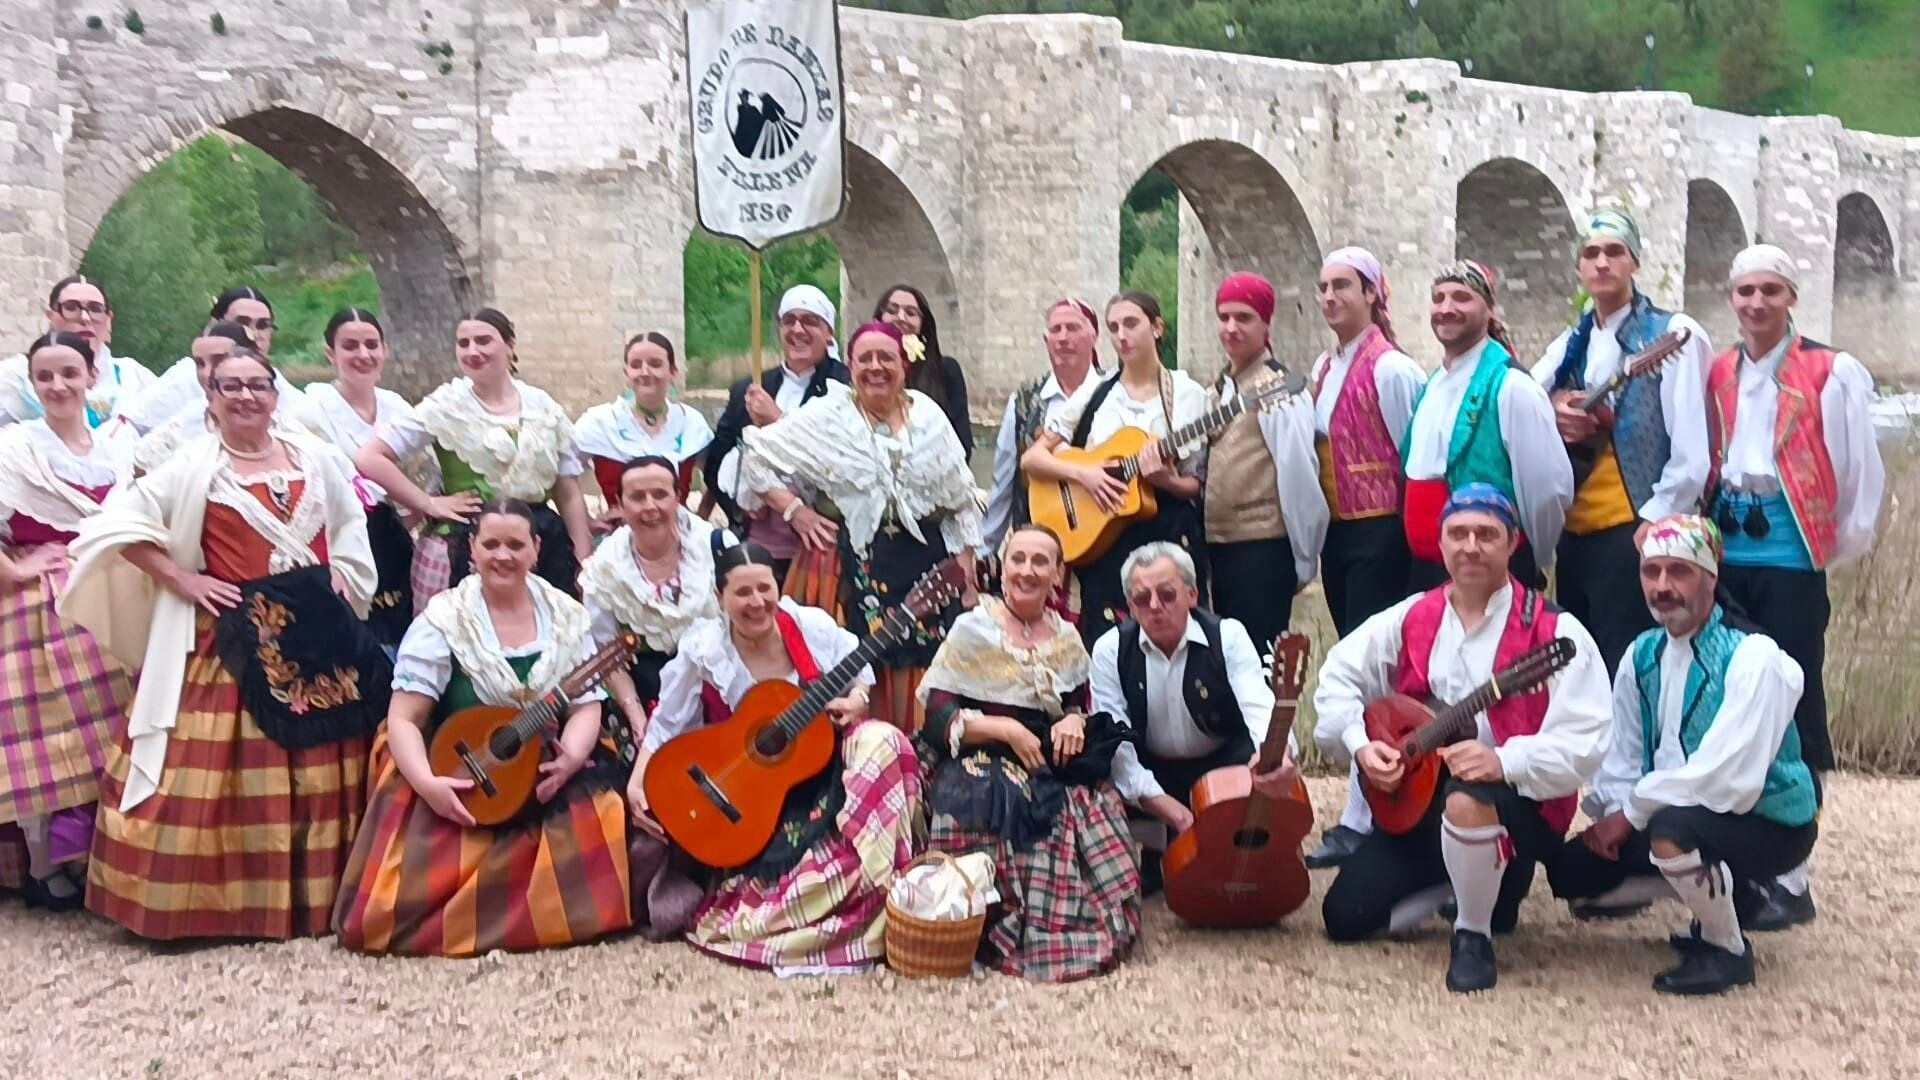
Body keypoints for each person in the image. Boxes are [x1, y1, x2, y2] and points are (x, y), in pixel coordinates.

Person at [60, 347, 389, 940]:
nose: (244, 397)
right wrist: (181, 578)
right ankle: (220, 908)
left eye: (256, 385)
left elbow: (348, 522)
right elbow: (116, 528)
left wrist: (344, 566)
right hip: (233, 637)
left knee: (323, 763)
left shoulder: (314, 457)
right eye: (229, 386)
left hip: (320, 634)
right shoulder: (193, 468)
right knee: (223, 771)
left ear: (274, 393)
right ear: (209, 397)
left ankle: (324, 900)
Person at [1313, 484, 1609, 993]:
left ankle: (1473, 933)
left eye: (1486, 534)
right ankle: (1468, 879)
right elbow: (1337, 675)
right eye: (1458, 533)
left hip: (1517, 804)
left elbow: (1587, 737)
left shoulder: (1554, 632)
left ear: (1513, 543)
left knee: (1469, 797)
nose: (1471, 546)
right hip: (1421, 800)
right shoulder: (1415, 615)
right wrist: (1361, 742)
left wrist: (1505, 762)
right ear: (1441, 542)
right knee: (1344, 916)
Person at [333, 499, 633, 956]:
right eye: (491, 544)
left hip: (542, 766)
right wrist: (428, 784)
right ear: (471, 549)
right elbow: (404, 719)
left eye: (516, 544)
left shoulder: (567, 616)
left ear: (536, 549)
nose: (503, 556)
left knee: (602, 815)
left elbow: (586, 704)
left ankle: (533, 914)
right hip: (459, 766)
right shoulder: (444, 620)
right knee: (387, 909)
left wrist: (572, 757)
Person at [1548, 514, 1818, 995]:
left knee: (1674, 834)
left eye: (1679, 571)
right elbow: (1624, 759)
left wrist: (1631, 815)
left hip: (1767, 820)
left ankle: (1726, 948)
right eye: (1651, 572)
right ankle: (1732, 895)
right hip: (1673, 809)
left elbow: (1727, 780)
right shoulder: (1641, 654)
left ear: (1711, 577)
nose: (1663, 586)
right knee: (1575, 874)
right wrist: (1612, 817)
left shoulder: (1755, 657)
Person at [630, 541, 921, 974]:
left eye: (764, 589)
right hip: (748, 800)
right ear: (719, 597)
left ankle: (879, 887)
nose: (756, 602)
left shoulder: (809, 627)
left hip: (817, 780)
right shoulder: (704, 648)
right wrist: (638, 782)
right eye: (742, 593)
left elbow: (859, 670)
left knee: (886, 740)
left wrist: (858, 700)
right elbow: (668, 724)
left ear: (777, 587)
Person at [1703, 244, 1884, 929]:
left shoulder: (1832, 372)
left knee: (1796, 700)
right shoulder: (1721, 369)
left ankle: (1793, 872)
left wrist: (1828, 548)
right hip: (1730, 552)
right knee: (1735, 698)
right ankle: (1748, 861)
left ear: (1791, 298)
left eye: (1769, 291)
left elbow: (1861, 474)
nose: (1755, 304)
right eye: (1745, 291)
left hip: (1791, 556)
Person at [916, 524, 1140, 981]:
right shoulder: (973, 627)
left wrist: (1075, 719)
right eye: (1018, 559)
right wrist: (1005, 729)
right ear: (1002, 569)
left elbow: (1076, 701)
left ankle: (1059, 926)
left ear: (1058, 574)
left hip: (1044, 754)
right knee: (997, 799)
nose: (1027, 570)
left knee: (1089, 802)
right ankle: (992, 924)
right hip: (978, 750)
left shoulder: (1066, 637)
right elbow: (937, 719)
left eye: (1041, 562)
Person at [737, 321, 980, 731]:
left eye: (886, 357)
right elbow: (757, 457)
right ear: (850, 367)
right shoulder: (829, 416)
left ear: (903, 365)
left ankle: (911, 766)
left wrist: (967, 565)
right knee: (844, 665)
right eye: (864, 358)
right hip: (843, 568)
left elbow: (962, 497)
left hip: (927, 569)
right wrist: (797, 511)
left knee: (924, 669)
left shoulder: (929, 417)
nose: (875, 367)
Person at [1534, 211, 1715, 674]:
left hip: (1631, 530)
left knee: (1628, 668)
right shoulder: (1572, 340)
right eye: (1591, 254)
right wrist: (1555, 406)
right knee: (1577, 671)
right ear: (1578, 269)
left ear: (1634, 262)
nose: (1601, 263)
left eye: (1614, 252)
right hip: (1573, 535)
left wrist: (1654, 522)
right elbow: (1524, 397)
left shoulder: (1672, 333)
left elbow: (1693, 453)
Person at [0, 332, 138, 910]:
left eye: (68, 373)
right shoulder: (15, 448)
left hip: (108, 591)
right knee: (47, 733)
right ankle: (44, 863)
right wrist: (15, 568)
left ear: (90, 378)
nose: (57, 386)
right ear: (32, 385)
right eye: (45, 377)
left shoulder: (117, 444)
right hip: (38, 606)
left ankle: (104, 853)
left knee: (114, 726)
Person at [1303, 247, 1427, 870]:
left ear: (1374, 294)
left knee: (1374, 670)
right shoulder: (1326, 366)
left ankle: (1365, 813)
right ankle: (1366, 805)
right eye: (1324, 287)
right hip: (1342, 534)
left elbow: (1417, 460)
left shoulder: (1393, 370)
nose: (1330, 298)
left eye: (1343, 286)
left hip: (1383, 532)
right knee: (1351, 662)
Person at [355, 308, 595, 608]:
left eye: (483, 340)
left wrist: (583, 557)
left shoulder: (542, 406)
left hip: (542, 542)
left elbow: (567, 492)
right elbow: (369, 457)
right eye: (463, 343)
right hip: (464, 543)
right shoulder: (446, 406)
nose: (472, 351)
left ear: (510, 345)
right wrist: (427, 502)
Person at [1090, 542, 1296, 892]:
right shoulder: (1110, 649)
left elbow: (1259, 707)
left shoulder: (1228, 635)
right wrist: (1177, 814)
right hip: (1153, 778)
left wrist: (1276, 756)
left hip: (1222, 769)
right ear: (1131, 608)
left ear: (1192, 594)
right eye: (1142, 599)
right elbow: (1116, 748)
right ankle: (1158, 843)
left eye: (1168, 595)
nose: (1155, 607)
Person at [1022, 291, 1211, 647]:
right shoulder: (1095, 391)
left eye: (1131, 324)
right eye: (1113, 327)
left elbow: (1193, 485)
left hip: (1167, 535)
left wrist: (1165, 480)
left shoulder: (1187, 394)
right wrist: (1085, 474)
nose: (1121, 335)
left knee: (1176, 640)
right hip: (1105, 540)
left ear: (1157, 328)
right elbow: (1032, 459)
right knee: (1108, 646)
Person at [1402, 261, 1572, 591]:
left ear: (1490, 310)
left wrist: (1532, 556)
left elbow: (1548, 489)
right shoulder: (1432, 384)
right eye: (1439, 298)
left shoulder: (1512, 387)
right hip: (1426, 570)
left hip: (1488, 569)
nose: (1446, 308)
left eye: (1462, 298)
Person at [1203, 272, 1327, 656]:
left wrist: (1303, 559)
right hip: (1217, 550)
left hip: (1261, 550)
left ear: (1265, 323)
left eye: (1244, 318)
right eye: (1224, 317)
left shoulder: (1278, 390)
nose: (1231, 328)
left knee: (1258, 668)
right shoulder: (1220, 388)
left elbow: (1299, 475)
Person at [290, 308, 426, 648]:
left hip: (393, 538)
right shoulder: (309, 411)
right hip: (338, 540)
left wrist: (415, 512)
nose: (363, 355)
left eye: (371, 345)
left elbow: (424, 471)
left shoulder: (398, 408)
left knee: (403, 630)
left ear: (385, 350)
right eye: (350, 346)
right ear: (331, 354)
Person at [579, 455, 726, 765]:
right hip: (644, 691)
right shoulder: (604, 567)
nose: (650, 506)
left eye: (660, 494)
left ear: (678, 496)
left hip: (717, 687)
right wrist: (637, 717)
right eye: (637, 497)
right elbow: (605, 654)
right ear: (619, 503)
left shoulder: (717, 546)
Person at [704, 285, 850, 576]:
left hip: (820, 543)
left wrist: (777, 421)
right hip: (758, 540)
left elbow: (841, 461)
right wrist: (740, 505)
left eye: (810, 321)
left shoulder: (844, 386)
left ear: (829, 332)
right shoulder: (750, 387)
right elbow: (715, 463)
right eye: (789, 320)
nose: (798, 329)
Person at [982, 297, 1103, 552]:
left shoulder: (1113, 392)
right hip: (1035, 547)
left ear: (1094, 337)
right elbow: (1003, 481)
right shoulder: (1024, 400)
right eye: (1055, 330)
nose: (1062, 337)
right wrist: (985, 549)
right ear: (1046, 341)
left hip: (1101, 540)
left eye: (1072, 328)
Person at [123, 286, 300, 436]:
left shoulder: (276, 383)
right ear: (216, 326)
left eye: (263, 326)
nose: (254, 334)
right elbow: (129, 425)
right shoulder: (185, 378)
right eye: (242, 323)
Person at [573, 331, 714, 519]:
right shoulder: (601, 422)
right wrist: (586, 522)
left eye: (655, 364)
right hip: (620, 537)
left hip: (680, 536)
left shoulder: (691, 422)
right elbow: (563, 474)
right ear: (627, 373)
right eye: (636, 365)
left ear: (673, 372)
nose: (645, 372)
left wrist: (701, 516)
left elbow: (717, 477)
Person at [0, 275, 158, 429]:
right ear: (52, 317)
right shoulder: (15, 376)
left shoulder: (134, 377)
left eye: (95, 309)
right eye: (71, 308)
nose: (85, 318)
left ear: (109, 319)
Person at [128, 321, 270, 473]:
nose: (206, 373)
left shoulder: (279, 426)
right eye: (200, 364)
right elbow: (140, 470)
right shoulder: (182, 425)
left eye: (218, 360)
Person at [874, 284, 973, 461]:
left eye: (911, 313)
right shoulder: (863, 372)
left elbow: (961, 443)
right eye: (892, 310)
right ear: (878, 319)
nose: (901, 318)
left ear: (923, 325)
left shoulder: (946, 372)